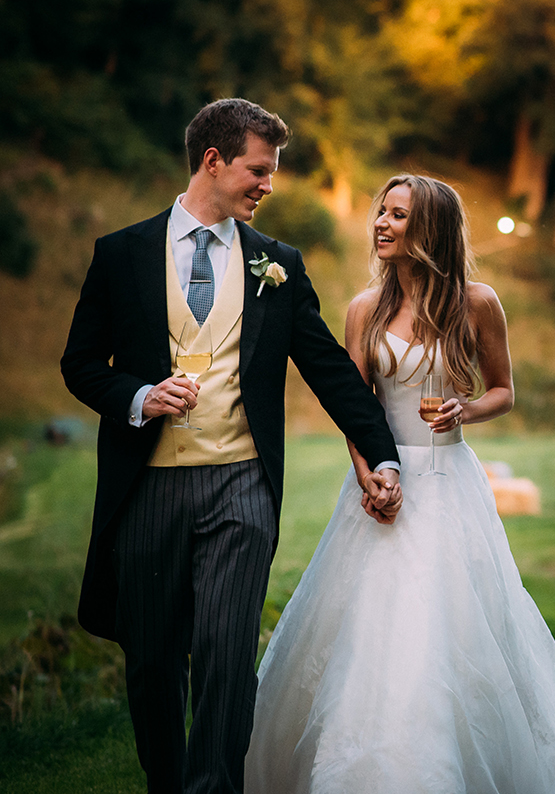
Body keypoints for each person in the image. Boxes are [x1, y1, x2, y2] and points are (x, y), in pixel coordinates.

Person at [244, 175, 555, 794]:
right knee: (364, 631)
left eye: (397, 215)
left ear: (427, 229)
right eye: (381, 211)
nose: (380, 223)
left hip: (447, 484)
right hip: (379, 482)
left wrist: (466, 411)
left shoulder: (476, 303)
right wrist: (369, 475)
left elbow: (504, 391)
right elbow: (355, 406)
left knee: (443, 626)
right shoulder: (362, 311)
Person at [60, 98, 402, 794]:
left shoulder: (278, 263)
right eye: (259, 169)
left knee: (224, 650)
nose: (269, 185)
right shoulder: (120, 254)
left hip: (241, 486)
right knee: (153, 658)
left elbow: (330, 370)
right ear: (213, 160)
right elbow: (81, 363)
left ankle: (214, 786)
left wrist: (384, 452)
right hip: (146, 488)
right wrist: (138, 396)